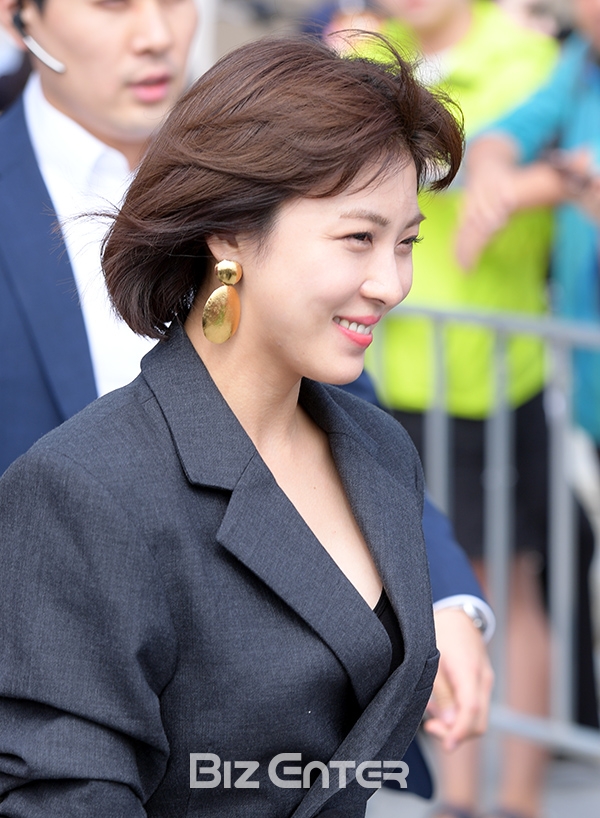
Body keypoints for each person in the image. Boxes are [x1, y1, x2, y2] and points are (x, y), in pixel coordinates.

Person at [0, 0, 493, 801]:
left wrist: (449, 598)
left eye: (406, 243)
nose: (392, 283)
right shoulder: (78, 489)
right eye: (358, 239)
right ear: (226, 233)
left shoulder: (371, 446)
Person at [326, 3, 559, 818]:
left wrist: (363, 96)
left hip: (487, 377)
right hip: (388, 375)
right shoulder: (386, 48)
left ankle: (518, 798)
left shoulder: (521, 52)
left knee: (503, 585)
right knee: (420, 580)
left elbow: (441, 161)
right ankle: (457, 797)